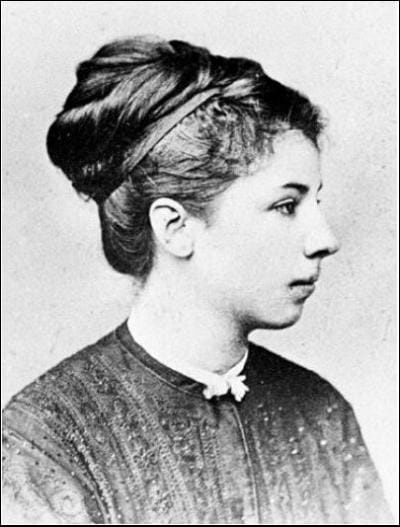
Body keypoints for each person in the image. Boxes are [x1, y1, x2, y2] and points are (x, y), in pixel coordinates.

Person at [2, 36, 393, 524]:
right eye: (286, 206)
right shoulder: (46, 440)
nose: (325, 239)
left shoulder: (322, 414)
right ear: (176, 227)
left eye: (316, 202)